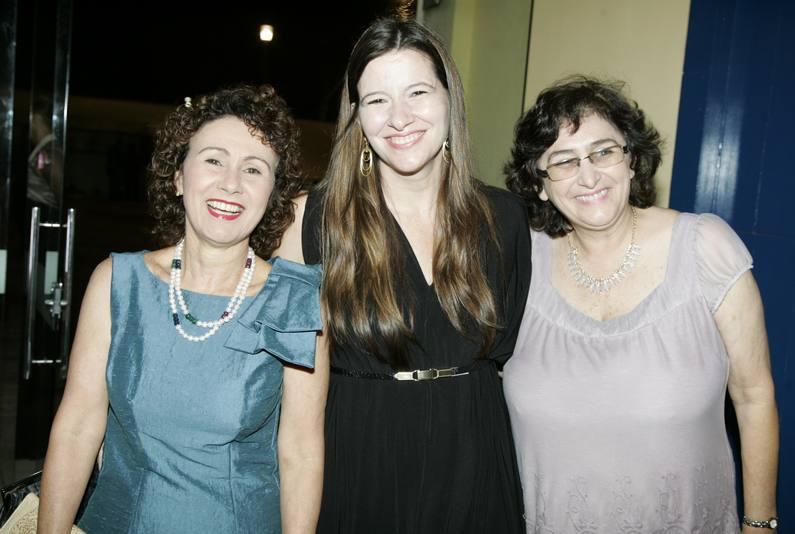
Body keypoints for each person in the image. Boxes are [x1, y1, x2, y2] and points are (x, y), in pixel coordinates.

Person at [275, 17, 531, 534]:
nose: (399, 118)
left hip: (476, 470)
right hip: (359, 469)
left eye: (417, 92)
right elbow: (295, 420)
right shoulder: (308, 222)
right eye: (377, 100)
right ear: (357, 115)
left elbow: (514, 367)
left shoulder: (504, 218)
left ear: (449, 98)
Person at [37, 85, 328, 534]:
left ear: (272, 193)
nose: (231, 183)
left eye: (253, 169)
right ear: (177, 177)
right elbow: (76, 427)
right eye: (213, 160)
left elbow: (301, 453)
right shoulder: (116, 283)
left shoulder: (295, 301)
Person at [503, 76, 779, 533]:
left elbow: (754, 397)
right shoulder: (517, 261)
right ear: (540, 184)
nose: (588, 175)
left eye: (603, 151)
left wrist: (760, 524)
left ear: (631, 159)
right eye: (564, 161)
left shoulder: (705, 248)